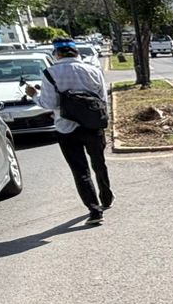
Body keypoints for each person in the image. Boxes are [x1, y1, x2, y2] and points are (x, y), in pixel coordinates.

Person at [30, 39, 113, 225]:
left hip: (66, 128)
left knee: (80, 170)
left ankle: (94, 210)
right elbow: (102, 99)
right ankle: (106, 196)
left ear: (56, 54)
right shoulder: (93, 70)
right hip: (93, 125)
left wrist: (34, 95)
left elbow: (49, 103)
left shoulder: (50, 73)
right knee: (99, 162)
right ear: (76, 53)